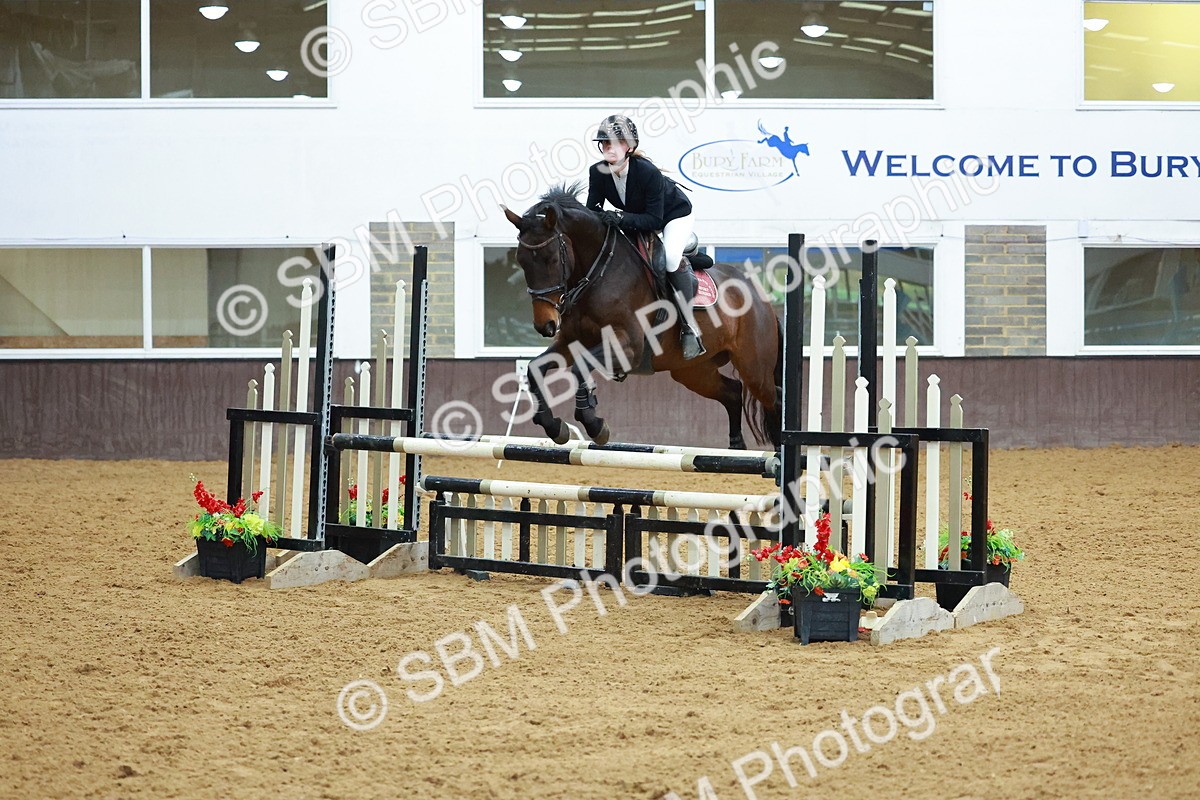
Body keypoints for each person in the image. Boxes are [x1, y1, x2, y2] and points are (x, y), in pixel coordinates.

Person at [585, 114, 706, 359]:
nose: (609, 148)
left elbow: (653, 220)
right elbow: (593, 210)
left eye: (615, 143)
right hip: (636, 217)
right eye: (605, 143)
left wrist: (618, 218)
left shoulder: (646, 172)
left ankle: (689, 327)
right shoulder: (597, 172)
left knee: (671, 258)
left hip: (673, 216)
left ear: (629, 147)